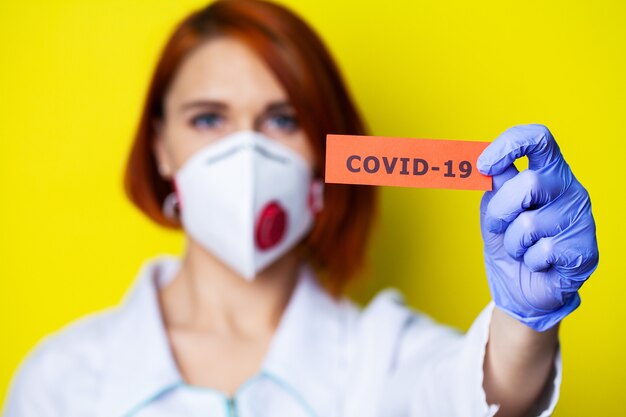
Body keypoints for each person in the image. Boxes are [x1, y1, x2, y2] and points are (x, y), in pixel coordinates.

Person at [2, 0, 598, 416]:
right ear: (161, 147)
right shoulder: (62, 379)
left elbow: (469, 398)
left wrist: (525, 320)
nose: (246, 152)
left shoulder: (382, 355)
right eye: (209, 119)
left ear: (322, 148)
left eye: (281, 120)